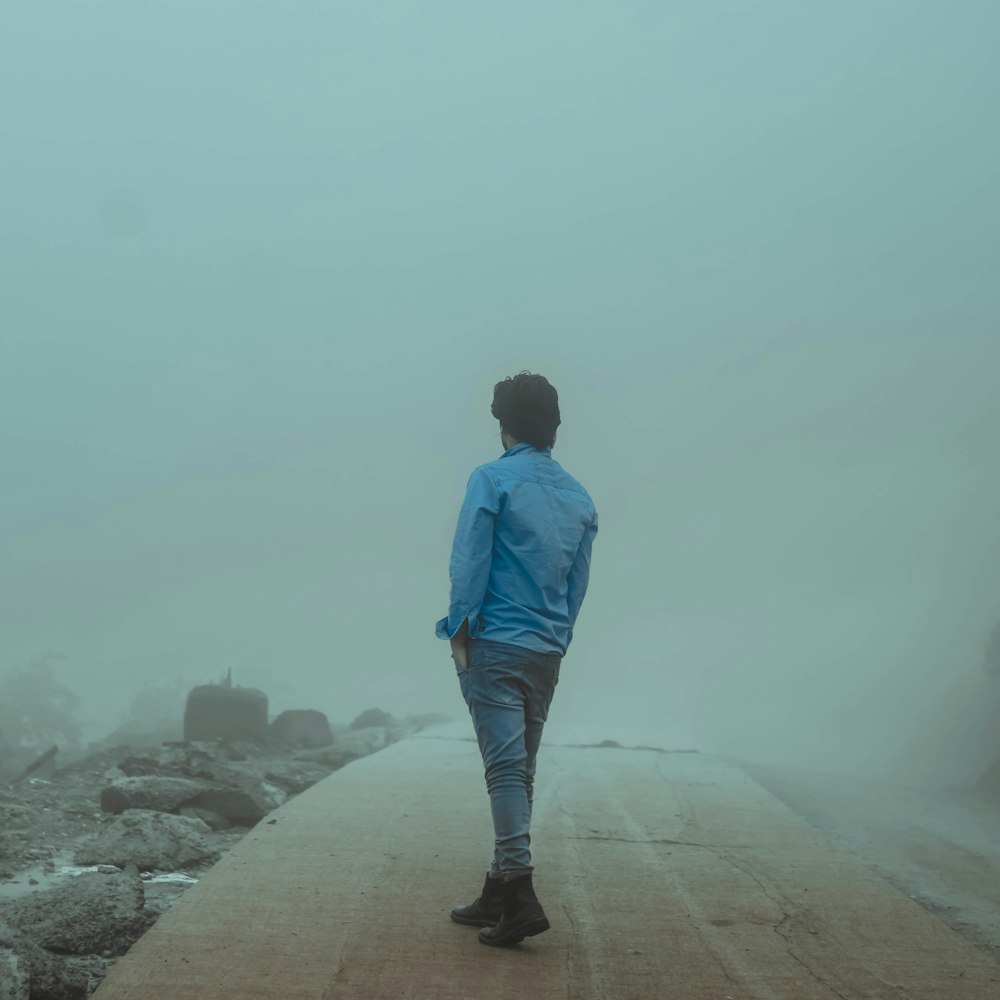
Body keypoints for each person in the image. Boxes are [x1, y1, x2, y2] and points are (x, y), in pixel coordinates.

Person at [436, 371, 598, 947]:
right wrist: (557, 640)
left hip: (497, 644)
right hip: (546, 651)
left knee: (504, 772)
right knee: (518, 771)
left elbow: (469, 566)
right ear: (555, 427)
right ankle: (497, 891)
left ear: (502, 424)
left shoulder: (492, 479)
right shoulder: (580, 497)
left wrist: (459, 636)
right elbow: (577, 587)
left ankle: (522, 892)